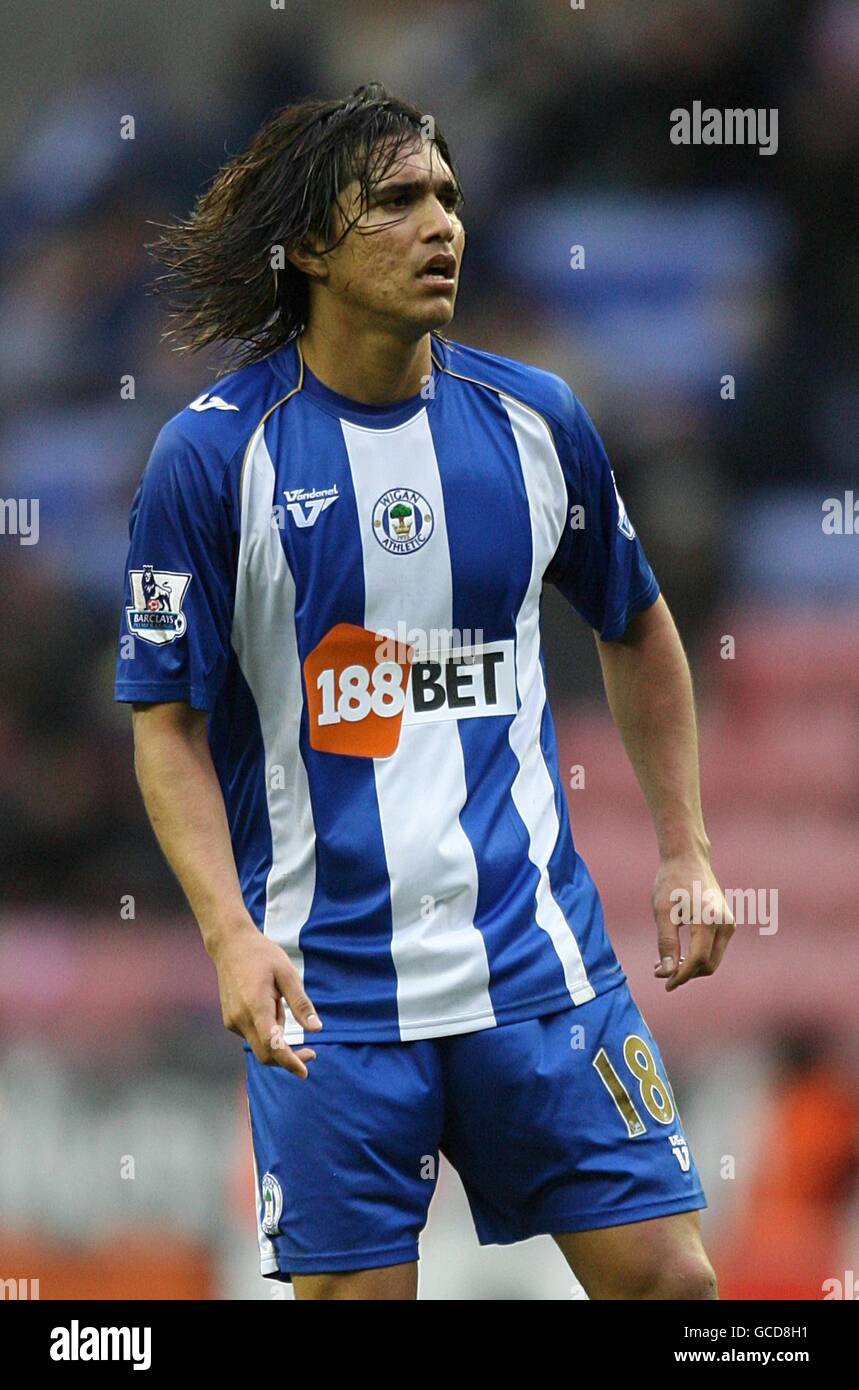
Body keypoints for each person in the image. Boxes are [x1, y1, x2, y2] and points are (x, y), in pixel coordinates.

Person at [115, 83, 734, 1300]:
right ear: (306, 247)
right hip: (329, 992)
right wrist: (229, 938)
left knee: (678, 1288)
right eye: (397, 202)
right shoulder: (212, 455)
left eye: (448, 196)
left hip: (535, 964)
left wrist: (687, 849)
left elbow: (639, 624)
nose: (441, 224)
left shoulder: (534, 419)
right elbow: (165, 730)